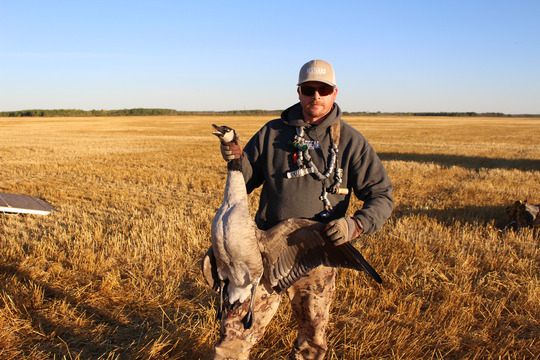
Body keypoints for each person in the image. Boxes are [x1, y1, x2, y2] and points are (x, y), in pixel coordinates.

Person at [213, 59, 394, 360]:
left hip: (316, 255)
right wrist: (236, 161)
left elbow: (382, 196)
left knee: (312, 336)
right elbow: (245, 182)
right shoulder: (273, 133)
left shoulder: (350, 143)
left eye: (323, 90)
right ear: (299, 91)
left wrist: (354, 225)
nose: (316, 97)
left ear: (335, 92)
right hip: (265, 252)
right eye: (309, 89)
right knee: (236, 331)